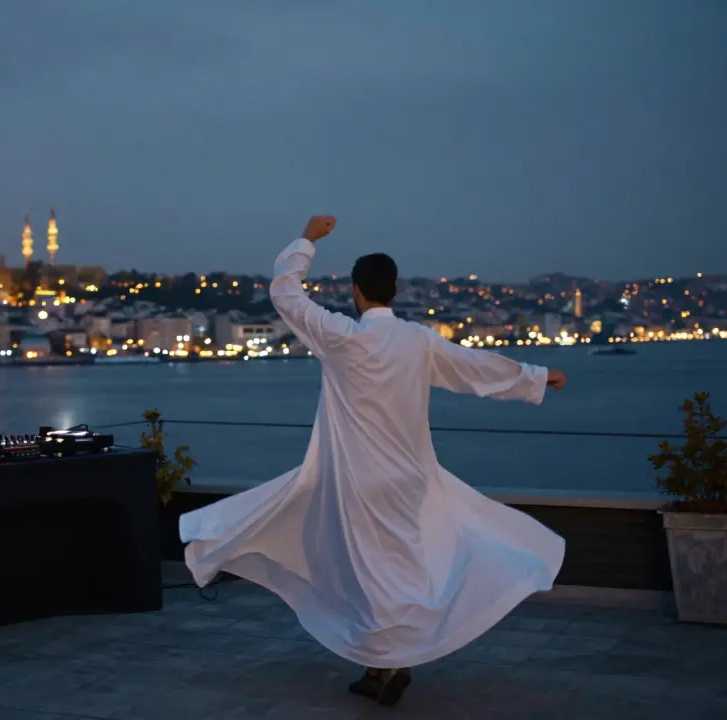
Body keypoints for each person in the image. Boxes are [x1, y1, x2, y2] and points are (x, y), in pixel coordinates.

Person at [179, 216, 567, 707]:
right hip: (411, 479)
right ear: (395, 290)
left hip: (356, 481)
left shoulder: (341, 337)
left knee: (363, 571)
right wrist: (537, 377)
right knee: (402, 567)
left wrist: (307, 240)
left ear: (356, 291)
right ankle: (380, 665)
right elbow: (476, 370)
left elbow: (285, 294)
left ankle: (389, 661)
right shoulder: (418, 341)